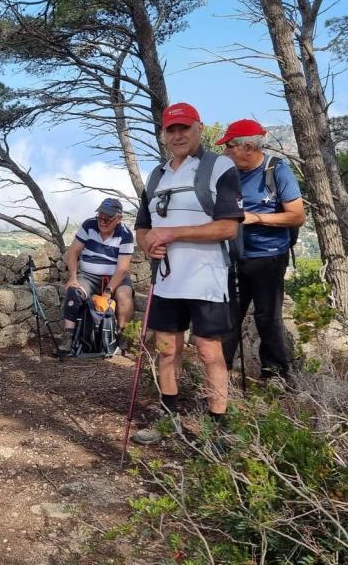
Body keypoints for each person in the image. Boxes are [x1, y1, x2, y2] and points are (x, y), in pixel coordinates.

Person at [131, 102, 244, 444]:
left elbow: (228, 227)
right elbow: (142, 226)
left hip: (208, 278)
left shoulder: (219, 166)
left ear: (199, 129)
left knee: (209, 352)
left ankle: (218, 427)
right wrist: (148, 244)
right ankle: (169, 420)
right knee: (166, 349)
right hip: (167, 280)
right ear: (164, 135)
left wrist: (172, 234)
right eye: (171, 129)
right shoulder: (157, 175)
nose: (178, 135)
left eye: (184, 127)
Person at [216, 119, 305, 383]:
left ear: (249, 146)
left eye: (230, 146)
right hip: (234, 256)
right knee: (228, 317)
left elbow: (297, 216)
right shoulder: (228, 174)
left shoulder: (277, 171)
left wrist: (256, 218)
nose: (225, 151)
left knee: (267, 317)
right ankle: (218, 374)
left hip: (269, 256)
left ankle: (275, 374)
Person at [57, 198, 136, 355]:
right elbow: (73, 252)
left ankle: (122, 334)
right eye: (100, 217)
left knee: (124, 295)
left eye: (107, 219)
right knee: (74, 292)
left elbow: (122, 269)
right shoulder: (89, 226)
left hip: (116, 277)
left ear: (118, 219)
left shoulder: (125, 235)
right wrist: (72, 277)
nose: (102, 222)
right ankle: (68, 336)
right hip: (88, 276)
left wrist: (108, 291)